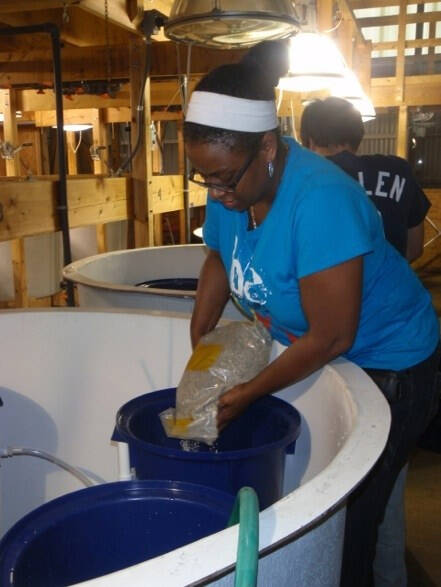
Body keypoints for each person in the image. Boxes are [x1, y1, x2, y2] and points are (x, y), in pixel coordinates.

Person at [183, 40, 440, 587]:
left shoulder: (321, 200)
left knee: (350, 517)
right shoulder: (229, 185)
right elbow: (217, 256)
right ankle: (393, 569)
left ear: (269, 147)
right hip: (332, 350)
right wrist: (199, 332)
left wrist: (249, 392)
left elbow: (330, 336)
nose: (216, 191)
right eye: (203, 176)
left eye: (225, 176)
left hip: (389, 359)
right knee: (377, 488)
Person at [300, 96, 434, 587]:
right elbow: (416, 248)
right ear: (357, 133)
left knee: (340, 476)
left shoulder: (310, 185)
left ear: (308, 139)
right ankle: (393, 574)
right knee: (387, 484)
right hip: (400, 338)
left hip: (348, 352)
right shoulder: (396, 171)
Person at [300, 96, 431, 263]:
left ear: (310, 142)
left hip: (331, 286)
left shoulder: (306, 180)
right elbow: (414, 248)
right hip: (391, 285)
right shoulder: (400, 171)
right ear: (357, 135)